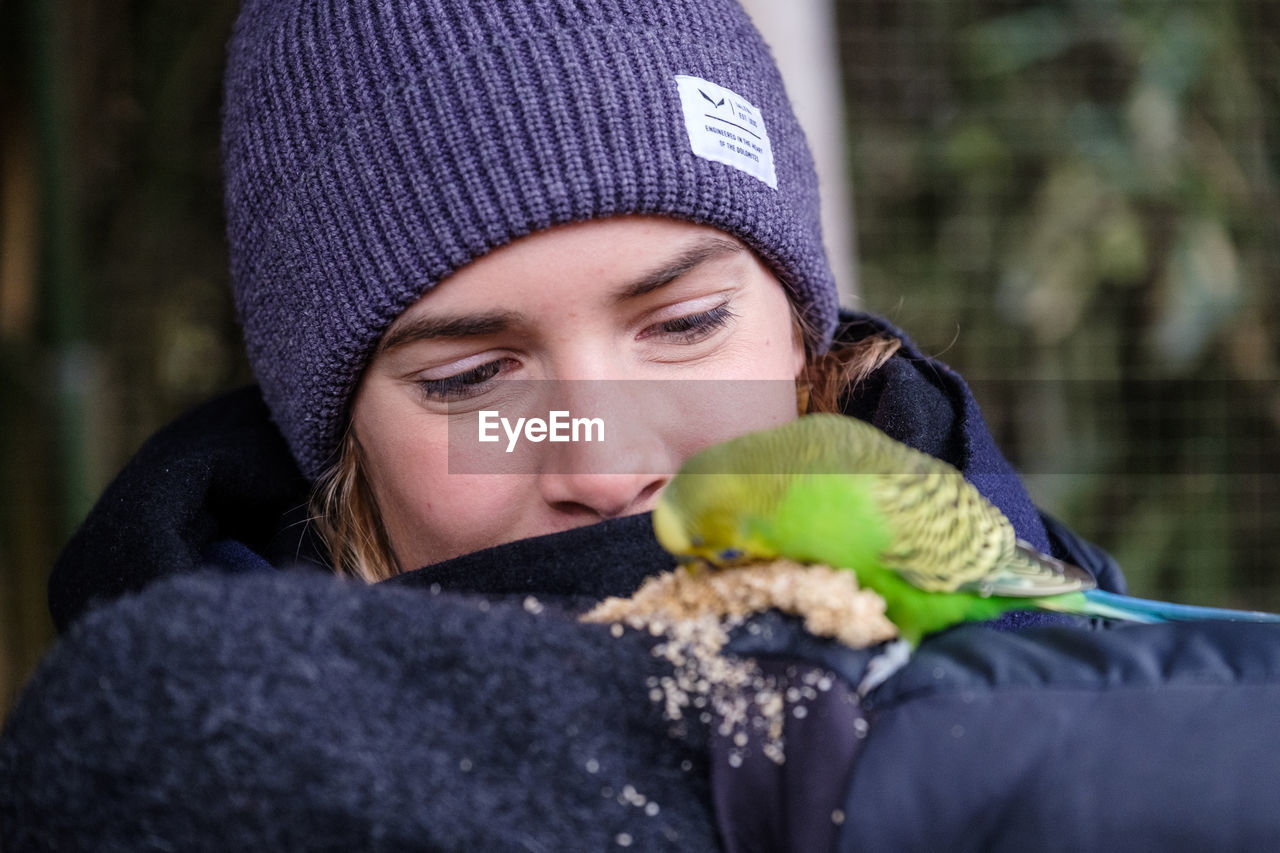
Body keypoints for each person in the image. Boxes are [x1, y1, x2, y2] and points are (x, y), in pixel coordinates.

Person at [4, 1, 1280, 850]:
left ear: (804, 339)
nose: (609, 465)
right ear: (337, 452)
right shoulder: (156, 784)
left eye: (681, 329)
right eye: (470, 384)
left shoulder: (1117, 688)